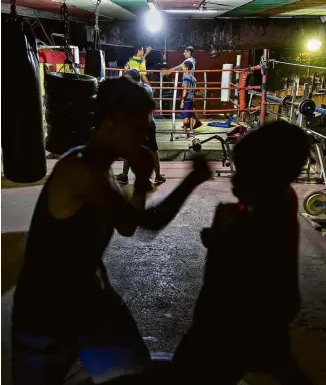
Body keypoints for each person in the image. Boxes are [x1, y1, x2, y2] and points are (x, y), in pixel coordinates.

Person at [11, 76, 211, 385]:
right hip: (46, 311)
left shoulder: (101, 169)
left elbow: (128, 225)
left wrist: (143, 179)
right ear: (109, 125)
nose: (143, 139)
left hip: (90, 301)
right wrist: (191, 181)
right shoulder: (80, 170)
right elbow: (147, 224)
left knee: (138, 372)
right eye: (137, 129)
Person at [173, 121, 313, 385]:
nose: (234, 178)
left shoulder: (261, 215)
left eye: (244, 172)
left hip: (236, 317)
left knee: (191, 370)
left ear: (266, 176)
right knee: (279, 364)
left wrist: (217, 235)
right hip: (271, 308)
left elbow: (230, 264)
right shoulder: (279, 197)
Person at [116, 69, 166, 185]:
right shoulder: (147, 88)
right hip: (149, 123)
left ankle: (124, 176)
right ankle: (158, 176)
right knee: (153, 151)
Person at [163, 46, 202, 129]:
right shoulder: (192, 60)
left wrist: (168, 71)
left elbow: (179, 67)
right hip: (190, 83)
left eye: (185, 52)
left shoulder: (188, 61)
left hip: (187, 83)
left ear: (189, 53)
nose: (183, 53)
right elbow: (181, 68)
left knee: (185, 103)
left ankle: (187, 125)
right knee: (189, 104)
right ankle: (194, 122)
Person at [180, 60, 196, 135]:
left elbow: (185, 89)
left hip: (187, 98)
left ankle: (184, 132)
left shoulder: (185, 77)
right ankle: (191, 130)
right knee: (191, 114)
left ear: (186, 68)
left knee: (185, 116)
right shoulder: (192, 77)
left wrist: (182, 101)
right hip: (192, 97)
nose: (182, 68)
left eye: (183, 66)